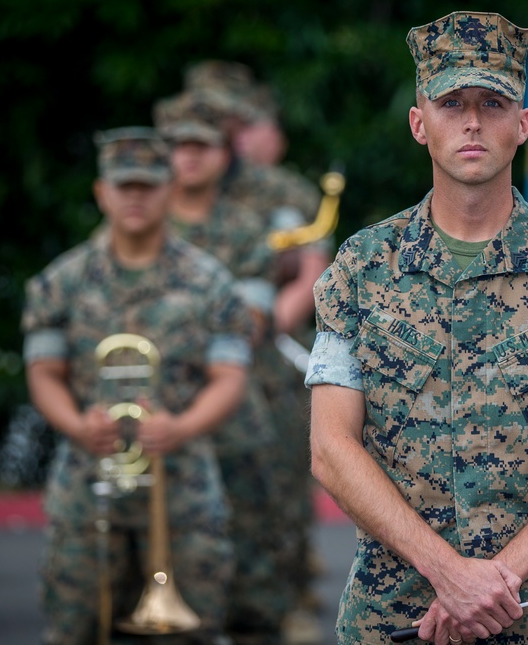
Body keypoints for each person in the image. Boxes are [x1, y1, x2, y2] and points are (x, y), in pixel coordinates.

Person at [307, 11, 528, 644]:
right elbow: (331, 449)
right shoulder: (360, 268)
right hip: (396, 617)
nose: (471, 122)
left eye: (493, 103)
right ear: (418, 123)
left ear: (523, 125)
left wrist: (492, 581)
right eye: (451, 101)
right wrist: (447, 572)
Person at [22, 127, 250, 644]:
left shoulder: (210, 282)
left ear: (169, 191)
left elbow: (230, 377)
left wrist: (183, 426)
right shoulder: (60, 283)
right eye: (124, 186)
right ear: (102, 193)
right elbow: (43, 374)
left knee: (192, 631)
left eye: (148, 186)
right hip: (87, 490)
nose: (135, 198)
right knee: (77, 628)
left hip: (183, 491)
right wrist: (76, 424)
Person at [184, 60, 331, 644]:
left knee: (276, 482)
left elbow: (310, 273)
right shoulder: (174, 186)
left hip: (265, 357)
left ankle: (285, 594)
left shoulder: (279, 191)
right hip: (187, 361)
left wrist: (266, 326)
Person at [155, 91, 296, 645]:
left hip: (236, 414)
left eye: (200, 145)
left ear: (222, 154)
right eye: (176, 146)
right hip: (150, 411)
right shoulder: (140, 219)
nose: (187, 157)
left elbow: (250, 322)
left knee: (252, 562)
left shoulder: (244, 230)